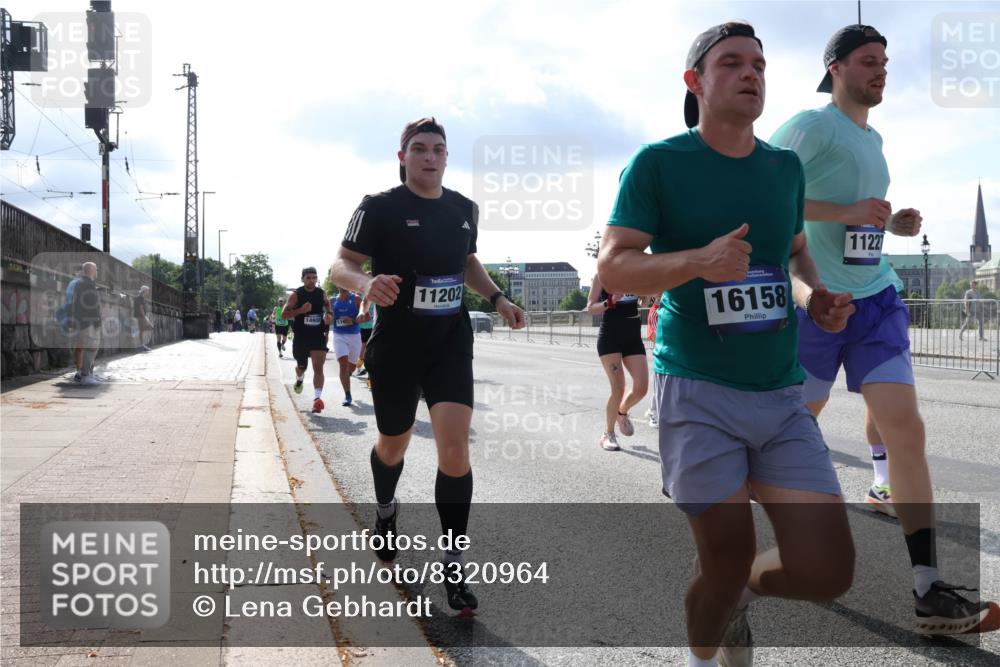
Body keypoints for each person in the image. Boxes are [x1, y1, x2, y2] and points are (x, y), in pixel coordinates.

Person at [600, 23, 859, 666]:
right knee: (725, 553)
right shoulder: (658, 163)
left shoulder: (784, 168)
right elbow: (615, 266)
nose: (752, 74)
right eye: (732, 64)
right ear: (696, 82)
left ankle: (739, 597)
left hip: (781, 394)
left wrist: (814, 298)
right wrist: (698, 261)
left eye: (760, 65)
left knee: (828, 569)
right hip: (698, 389)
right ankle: (704, 654)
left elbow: (794, 255)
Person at [770, 24, 998, 636]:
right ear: (835, 68)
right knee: (793, 428)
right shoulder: (811, 126)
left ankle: (928, 590)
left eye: (886, 62)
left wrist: (893, 223)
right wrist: (838, 212)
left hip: (877, 298)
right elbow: (766, 195)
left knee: (908, 430)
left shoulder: (876, 138)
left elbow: (861, 221)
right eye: (869, 61)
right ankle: (746, 546)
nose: (882, 71)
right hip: (818, 306)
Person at [331, 117, 525, 614]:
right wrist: (363, 284)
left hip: (448, 341)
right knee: (393, 443)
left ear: (446, 156)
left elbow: (467, 263)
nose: (430, 157)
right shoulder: (378, 207)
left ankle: (453, 565)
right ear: (402, 157)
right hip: (395, 344)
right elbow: (341, 264)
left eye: (438, 149)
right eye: (419, 149)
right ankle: (385, 511)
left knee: (455, 450)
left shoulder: (463, 209)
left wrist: (498, 297)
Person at [585, 275, 647, 451]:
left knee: (641, 388)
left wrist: (650, 294)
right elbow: (590, 307)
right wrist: (609, 302)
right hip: (610, 337)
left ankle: (622, 412)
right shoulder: (603, 274)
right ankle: (608, 434)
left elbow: (643, 303)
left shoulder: (636, 272)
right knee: (618, 387)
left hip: (633, 337)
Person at [282, 268, 333, 413]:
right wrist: (300, 311)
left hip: (318, 335)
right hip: (301, 337)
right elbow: (284, 315)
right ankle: (299, 378)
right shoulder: (296, 295)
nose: (312, 280)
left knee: (318, 367)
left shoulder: (321, 293)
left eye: (314, 277)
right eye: (308, 277)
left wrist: (329, 315)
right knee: (302, 367)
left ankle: (317, 399)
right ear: (302, 279)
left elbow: (328, 308)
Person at [331, 287, 367, 406]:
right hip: (338, 336)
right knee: (343, 365)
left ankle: (348, 374)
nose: (342, 286)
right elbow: (328, 317)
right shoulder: (332, 301)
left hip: (354, 336)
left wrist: (353, 320)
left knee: (350, 367)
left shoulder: (356, 299)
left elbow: (367, 317)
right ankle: (347, 395)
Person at [71, 262, 103, 386]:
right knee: (91, 347)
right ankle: (85, 375)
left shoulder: (85, 283)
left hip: (87, 321)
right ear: (91, 270)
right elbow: (87, 305)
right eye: (96, 269)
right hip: (88, 322)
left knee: (91, 347)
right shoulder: (85, 284)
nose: (97, 272)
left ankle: (87, 373)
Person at [643, 294, 661, 428]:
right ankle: (653, 413)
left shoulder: (666, 307)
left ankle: (653, 410)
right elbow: (654, 336)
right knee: (658, 386)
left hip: (668, 354)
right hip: (662, 354)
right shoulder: (655, 311)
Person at [355, 299, 376, 377]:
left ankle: (359, 367)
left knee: (366, 347)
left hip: (371, 326)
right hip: (366, 326)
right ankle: (358, 367)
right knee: (365, 347)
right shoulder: (367, 297)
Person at [134, 285, 154, 352]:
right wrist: (145, 317)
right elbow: (141, 308)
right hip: (141, 316)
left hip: (141, 316)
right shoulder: (140, 298)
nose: (148, 292)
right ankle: (141, 345)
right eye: (147, 291)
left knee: (143, 330)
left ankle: (142, 345)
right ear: (144, 291)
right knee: (145, 329)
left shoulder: (141, 298)